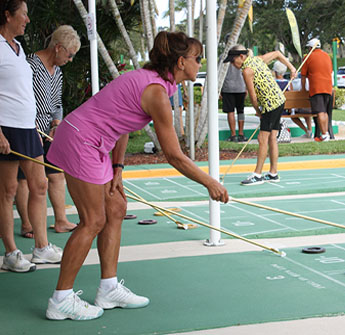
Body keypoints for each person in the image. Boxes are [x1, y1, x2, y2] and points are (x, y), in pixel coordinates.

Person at [45, 31, 229, 321]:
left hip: (96, 145)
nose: (199, 63)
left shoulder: (154, 83)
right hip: (81, 141)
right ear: (181, 62)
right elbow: (174, 155)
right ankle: (61, 299)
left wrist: (118, 167)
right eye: (197, 59)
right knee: (93, 221)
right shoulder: (156, 92)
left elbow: (121, 121)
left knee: (115, 208)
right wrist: (210, 183)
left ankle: (108, 288)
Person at [0, 0, 62, 273]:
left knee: (39, 186)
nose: (27, 19)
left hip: (27, 127)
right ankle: (11, 253)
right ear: (7, 15)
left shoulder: (18, 48)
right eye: (23, 14)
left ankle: (41, 248)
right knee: (7, 192)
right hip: (6, 127)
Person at [16, 25, 80, 236]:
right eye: (69, 55)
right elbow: (19, 97)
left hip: (48, 130)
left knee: (56, 174)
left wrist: (56, 124)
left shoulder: (58, 72)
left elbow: (57, 104)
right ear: (58, 47)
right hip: (27, 128)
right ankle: (27, 224)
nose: (70, 60)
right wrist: (28, 123)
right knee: (25, 178)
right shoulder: (30, 65)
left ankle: (61, 220)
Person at [224, 45, 296, 185]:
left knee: (262, 139)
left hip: (270, 104)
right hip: (279, 101)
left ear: (241, 57)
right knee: (272, 138)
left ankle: (257, 175)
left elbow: (253, 96)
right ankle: (273, 173)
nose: (233, 65)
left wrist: (258, 111)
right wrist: (292, 68)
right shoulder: (257, 60)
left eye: (233, 61)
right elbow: (276, 53)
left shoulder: (247, 71)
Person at [300, 38, 333, 142]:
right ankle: (326, 133)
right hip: (328, 88)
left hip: (316, 88)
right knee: (325, 112)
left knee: (320, 112)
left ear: (310, 48)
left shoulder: (308, 57)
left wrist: (303, 89)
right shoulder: (327, 56)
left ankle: (324, 135)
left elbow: (303, 76)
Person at [272, 61, 312, 139]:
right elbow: (291, 94)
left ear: (276, 72)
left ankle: (273, 135)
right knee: (295, 115)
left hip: (276, 110)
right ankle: (308, 131)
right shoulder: (288, 83)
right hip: (287, 110)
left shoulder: (273, 83)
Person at [221, 62, 248, 142]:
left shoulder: (224, 57)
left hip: (228, 87)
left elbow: (220, 73)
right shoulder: (242, 56)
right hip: (241, 87)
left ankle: (233, 135)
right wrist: (246, 87)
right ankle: (241, 134)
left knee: (230, 111)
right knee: (240, 111)